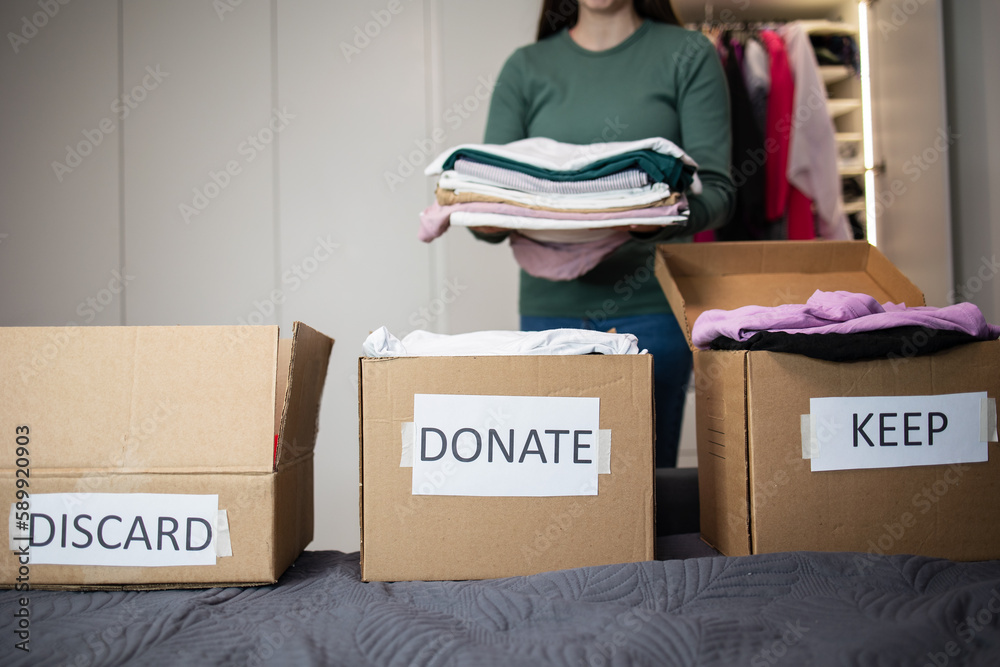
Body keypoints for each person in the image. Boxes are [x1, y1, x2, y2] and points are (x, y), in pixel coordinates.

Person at [472, 0, 735, 468]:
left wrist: (664, 214)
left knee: (644, 490)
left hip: (653, 308)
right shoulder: (526, 68)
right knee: (554, 489)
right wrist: (484, 215)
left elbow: (717, 192)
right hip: (549, 316)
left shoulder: (688, 54)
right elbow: (489, 191)